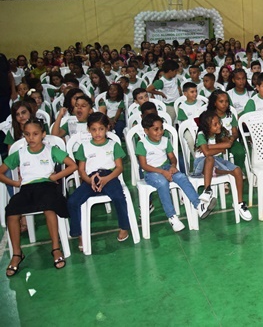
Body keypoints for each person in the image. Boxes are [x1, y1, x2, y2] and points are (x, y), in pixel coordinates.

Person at [0, 118, 77, 276]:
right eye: (27, 134)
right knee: (12, 211)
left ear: (43, 134)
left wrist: (55, 177)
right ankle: (17, 254)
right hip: (27, 188)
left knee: (49, 207)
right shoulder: (20, 153)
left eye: (35, 134)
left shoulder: (51, 150)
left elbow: (72, 165)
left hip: (47, 186)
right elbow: (1, 172)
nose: (31, 138)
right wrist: (14, 183)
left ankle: (55, 248)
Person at [135, 114, 210, 232]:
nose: (160, 132)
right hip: (151, 172)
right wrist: (162, 172)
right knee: (162, 183)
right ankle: (172, 216)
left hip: (166, 167)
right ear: (146, 131)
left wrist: (173, 166)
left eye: (161, 128)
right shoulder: (142, 144)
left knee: (182, 177)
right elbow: (144, 165)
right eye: (155, 129)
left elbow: (172, 158)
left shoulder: (165, 141)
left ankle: (198, 205)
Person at [67, 113, 131, 250]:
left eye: (101, 129)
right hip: (90, 178)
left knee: (119, 197)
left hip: (110, 176)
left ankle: (124, 227)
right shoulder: (84, 147)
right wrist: (89, 180)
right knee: (72, 201)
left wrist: (106, 179)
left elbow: (119, 168)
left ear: (107, 128)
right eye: (94, 129)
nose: (97, 133)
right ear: (88, 129)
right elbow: (81, 170)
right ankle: (79, 234)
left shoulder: (113, 145)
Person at [193, 110, 252, 221]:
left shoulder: (221, 132)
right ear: (206, 127)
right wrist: (219, 148)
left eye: (219, 122)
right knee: (210, 158)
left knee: (237, 170)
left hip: (216, 162)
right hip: (201, 165)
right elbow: (206, 153)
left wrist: (209, 147)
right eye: (215, 124)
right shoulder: (201, 135)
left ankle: (239, 203)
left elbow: (228, 144)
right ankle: (207, 190)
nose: (219, 126)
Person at [207, 89, 246, 172]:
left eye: (226, 101)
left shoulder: (230, 115)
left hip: (231, 140)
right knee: (218, 155)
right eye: (221, 101)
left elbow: (235, 132)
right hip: (216, 142)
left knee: (240, 152)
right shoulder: (210, 117)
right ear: (214, 103)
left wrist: (232, 138)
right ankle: (222, 172)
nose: (224, 104)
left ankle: (238, 170)